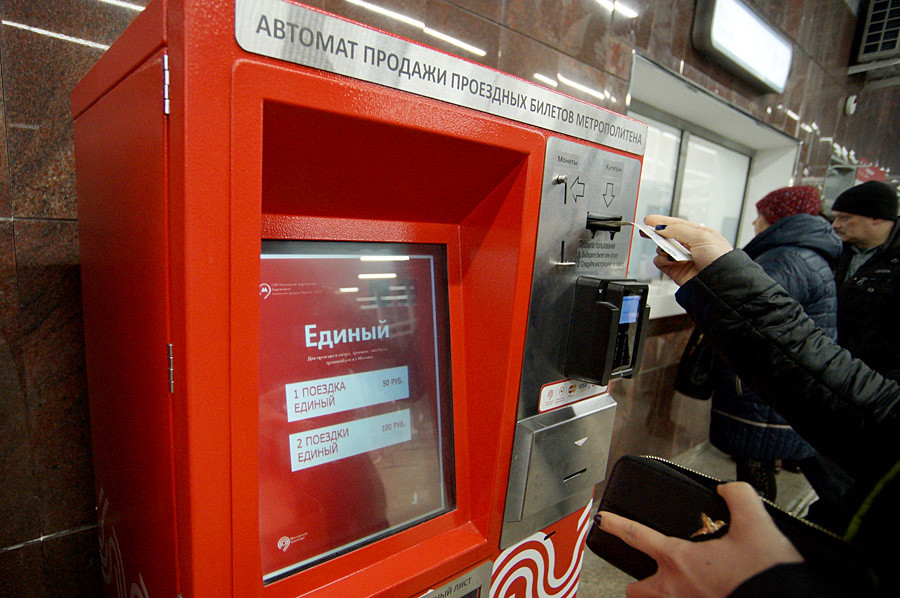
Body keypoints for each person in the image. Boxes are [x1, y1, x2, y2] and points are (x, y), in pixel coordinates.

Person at [596, 215, 900, 597]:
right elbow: (869, 409)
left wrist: (768, 588)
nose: (755, 220)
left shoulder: (793, 258)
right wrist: (726, 282)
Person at [707, 186, 846, 507]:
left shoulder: (786, 259)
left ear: (779, 219)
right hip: (783, 382)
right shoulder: (806, 254)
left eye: (761, 215)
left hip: (764, 384)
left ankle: (753, 530)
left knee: (754, 467)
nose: (755, 223)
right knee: (762, 461)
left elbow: (745, 314)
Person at [830, 180, 900, 381]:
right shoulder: (837, 251)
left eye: (844, 218)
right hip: (831, 366)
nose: (835, 225)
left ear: (877, 217)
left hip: (875, 377)